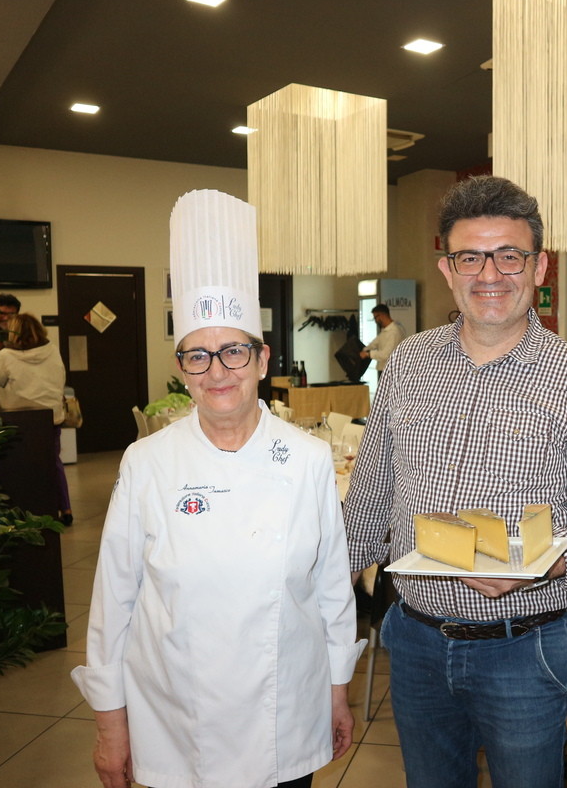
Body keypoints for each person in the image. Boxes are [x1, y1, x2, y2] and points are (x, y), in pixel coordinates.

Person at [71, 190, 363, 788]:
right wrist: (109, 726)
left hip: (286, 712)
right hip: (176, 721)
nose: (218, 371)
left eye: (233, 351)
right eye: (198, 356)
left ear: (262, 359)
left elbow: (333, 591)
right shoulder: (146, 462)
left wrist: (337, 692)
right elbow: (113, 603)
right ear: (182, 369)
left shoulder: (307, 459)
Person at [343, 175, 567, 788]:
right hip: (415, 639)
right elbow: (370, 495)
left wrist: (545, 565)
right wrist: (316, 583)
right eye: (470, 257)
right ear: (447, 268)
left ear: (539, 266)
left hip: (522, 648)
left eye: (509, 256)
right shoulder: (409, 363)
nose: (489, 274)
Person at [0, 313, 72, 526]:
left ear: (13, 332)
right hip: (51, 417)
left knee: (26, 465)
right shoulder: (52, 349)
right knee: (53, 463)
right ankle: (65, 508)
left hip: (23, 418)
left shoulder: (7, 355)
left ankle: (33, 510)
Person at [359, 303, 406, 374]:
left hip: (392, 371)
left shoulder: (394, 332)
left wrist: (368, 354)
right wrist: (364, 350)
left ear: (382, 315)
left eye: (375, 317)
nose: (375, 321)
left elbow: (386, 354)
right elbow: (374, 343)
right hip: (384, 369)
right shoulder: (386, 330)